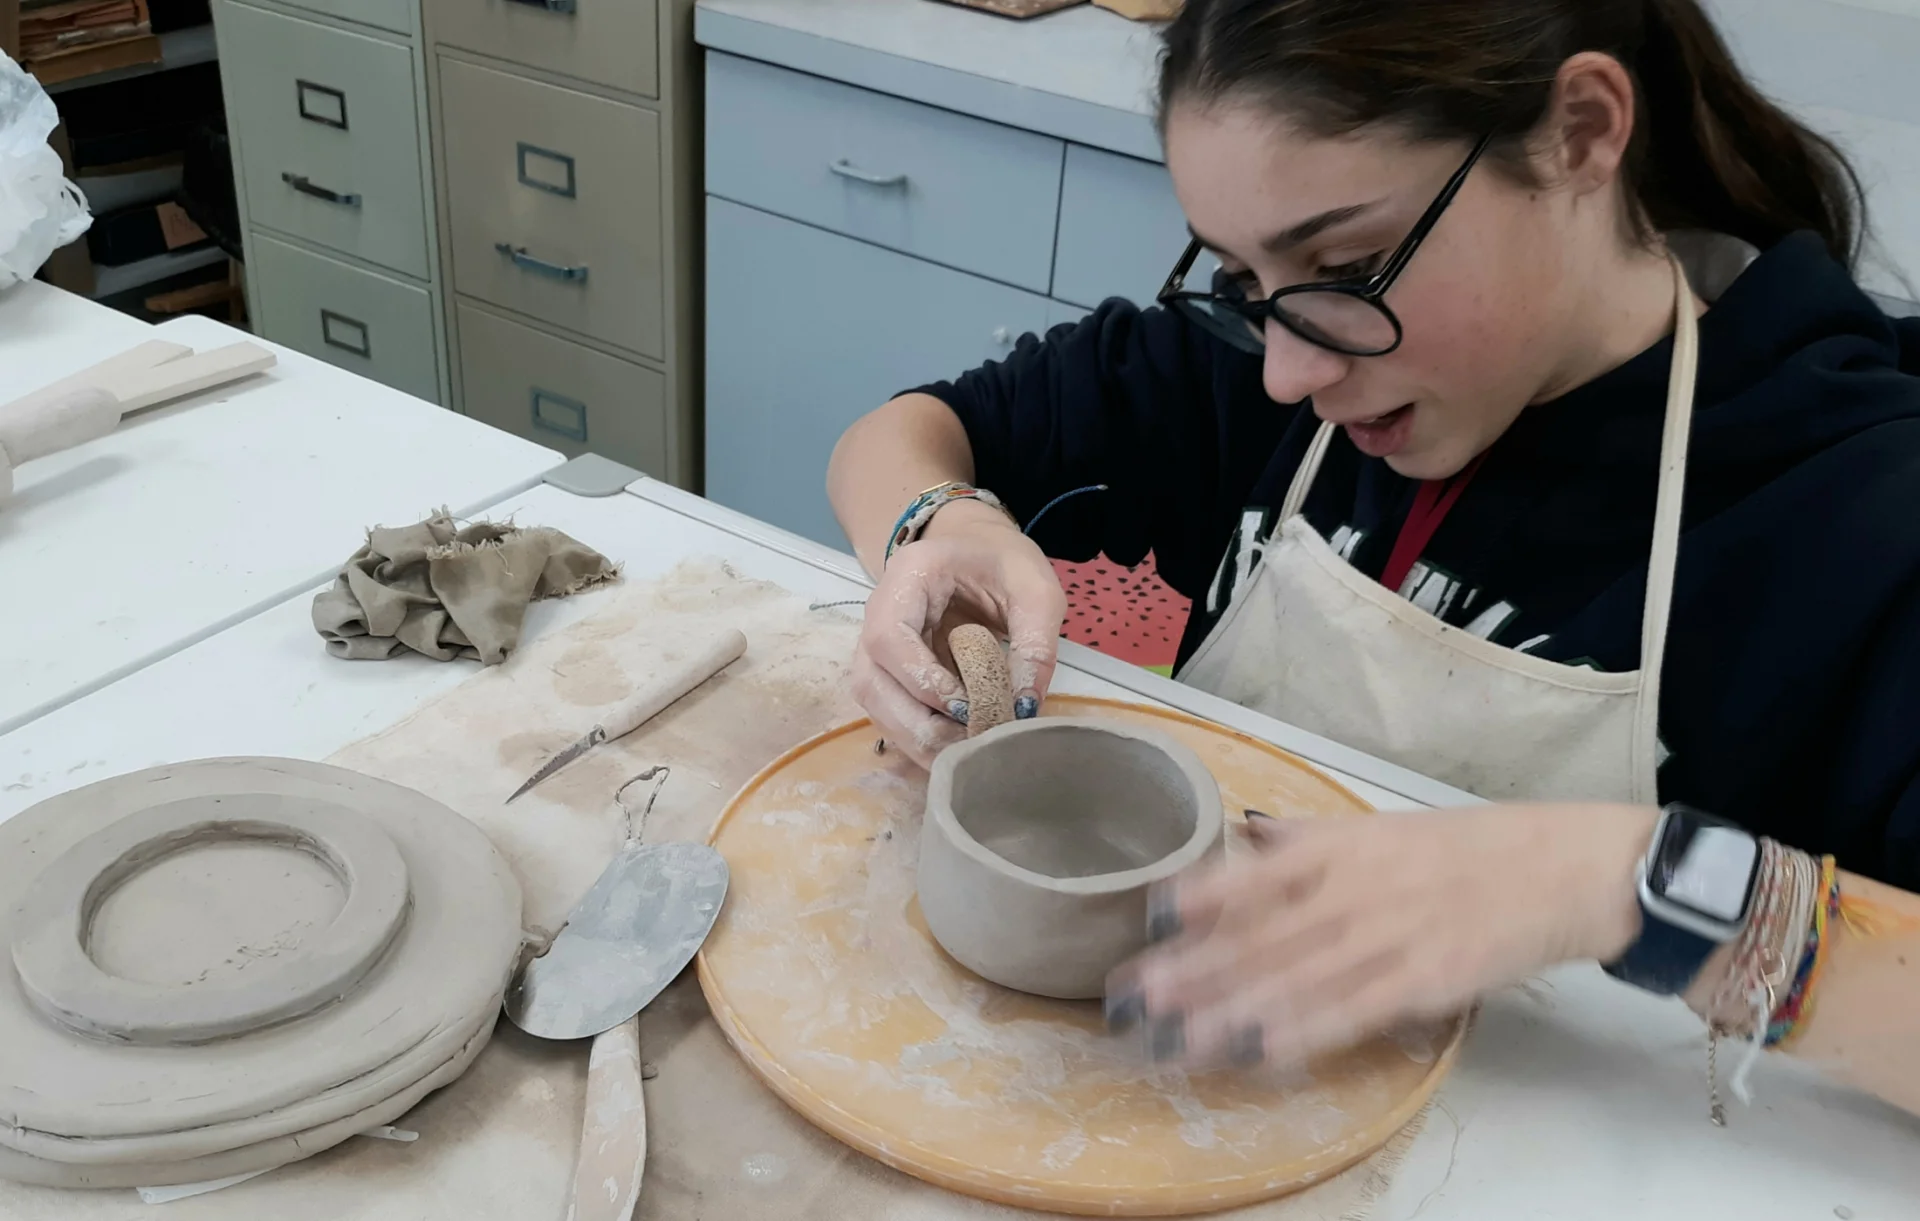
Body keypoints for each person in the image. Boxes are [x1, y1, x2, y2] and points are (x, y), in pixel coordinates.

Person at [826, 0, 1920, 1118]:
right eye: (1249, 286)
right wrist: (941, 523)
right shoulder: (1262, 370)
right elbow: (903, 436)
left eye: (1346, 267)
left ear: (1582, 132)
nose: (1286, 374)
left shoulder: (1855, 505)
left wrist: (1620, 888)